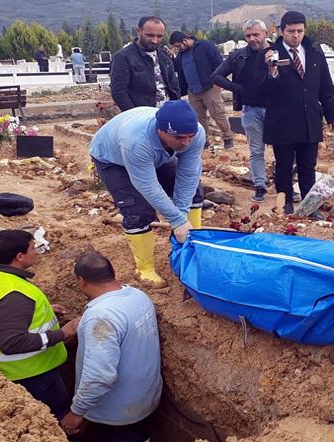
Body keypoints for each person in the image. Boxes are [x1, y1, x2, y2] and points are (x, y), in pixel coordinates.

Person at [60, 252, 162, 442]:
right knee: (138, 439)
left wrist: (76, 413)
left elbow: (99, 376)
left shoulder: (102, 316)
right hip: (144, 397)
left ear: (81, 281)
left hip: (117, 411)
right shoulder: (137, 296)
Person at [0, 229, 79, 421]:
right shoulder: (13, 294)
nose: (36, 252)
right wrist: (63, 333)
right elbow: (12, 343)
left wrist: (35, 310)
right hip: (30, 374)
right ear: (19, 257)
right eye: (33, 248)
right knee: (53, 417)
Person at [89, 100, 204, 287]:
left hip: (158, 154)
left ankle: (194, 249)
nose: (186, 142)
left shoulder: (194, 134)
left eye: (190, 137)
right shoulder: (136, 141)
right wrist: (176, 221)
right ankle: (144, 270)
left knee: (195, 194)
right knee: (137, 211)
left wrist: (181, 215)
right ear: (161, 131)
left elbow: (188, 174)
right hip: (113, 159)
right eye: (180, 138)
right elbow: (147, 185)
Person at [262, 11, 334, 215]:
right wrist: (272, 72)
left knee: (308, 167)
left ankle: (309, 207)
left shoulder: (314, 51)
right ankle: (285, 204)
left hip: (309, 119)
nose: (296, 35)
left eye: (299, 31)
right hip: (283, 122)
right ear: (282, 31)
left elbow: (325, 86)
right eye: (291, 31)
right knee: (284, 166)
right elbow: (263, 91)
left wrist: (333, 116)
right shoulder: (271, 54)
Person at [212, 19, 272, 201]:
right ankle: (260, 185)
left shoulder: (279, 51)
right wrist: (238, 89)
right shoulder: (239, 55)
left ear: (266, 33)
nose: (252, 39)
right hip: (251, 109)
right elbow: (216, 76)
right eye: (248, 35)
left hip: (277, 108)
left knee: (283, 149)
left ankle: (285, 185)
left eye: (256, 34)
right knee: (255, 150)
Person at [169, 31, 235, 150]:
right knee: (198, 118)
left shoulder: (205, 46)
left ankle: (227, 137)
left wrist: (218, 82)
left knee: (218, 114)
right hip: (193, 90)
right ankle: (203, 140)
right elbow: (177, 67)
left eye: (178, 46)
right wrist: (170, 57)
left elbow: (220, 64)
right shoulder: (181, 55)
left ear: (185, 40)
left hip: (210, 87)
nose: (178, 49)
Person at [110, 16, 180, 111]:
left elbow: (174, 84)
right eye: (150, 35)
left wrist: (177, 105)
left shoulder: (164, 55)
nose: (155, 40)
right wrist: (136, 115)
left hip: (169, 112)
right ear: (138, 31)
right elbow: (119, 92)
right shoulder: (123, 57)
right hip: (143, 115)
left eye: (159, 36)